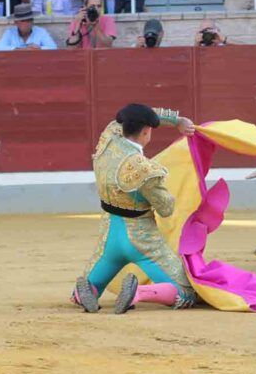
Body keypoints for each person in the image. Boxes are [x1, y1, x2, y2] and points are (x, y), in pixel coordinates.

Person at [72, 103, 198, 314]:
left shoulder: (109, 136)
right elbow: (166, 208)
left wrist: (177, 121)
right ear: (146, 131)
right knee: (185, 293)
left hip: (110, 235)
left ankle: (85, 291)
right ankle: (139, 293)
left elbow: (140, 113)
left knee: (92, 282)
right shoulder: (144, 168)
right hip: (142, 240)